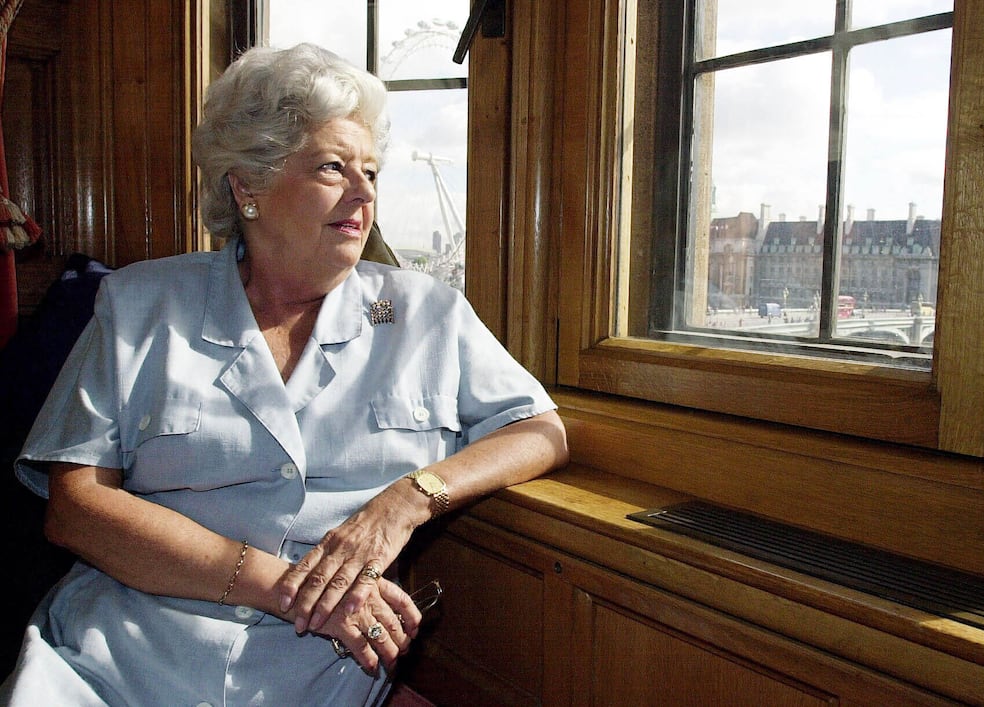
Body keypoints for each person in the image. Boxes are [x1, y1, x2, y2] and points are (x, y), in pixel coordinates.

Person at [0, 42, 568, 706]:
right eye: (333, 167)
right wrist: (285, 586)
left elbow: (540, 429)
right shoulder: (140, 305)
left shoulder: (417, 312)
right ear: (248, 186)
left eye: (372, 172)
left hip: (312, 667)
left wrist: (408, 499)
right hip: (119, 652)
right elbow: (76, 509)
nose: (363, 193)